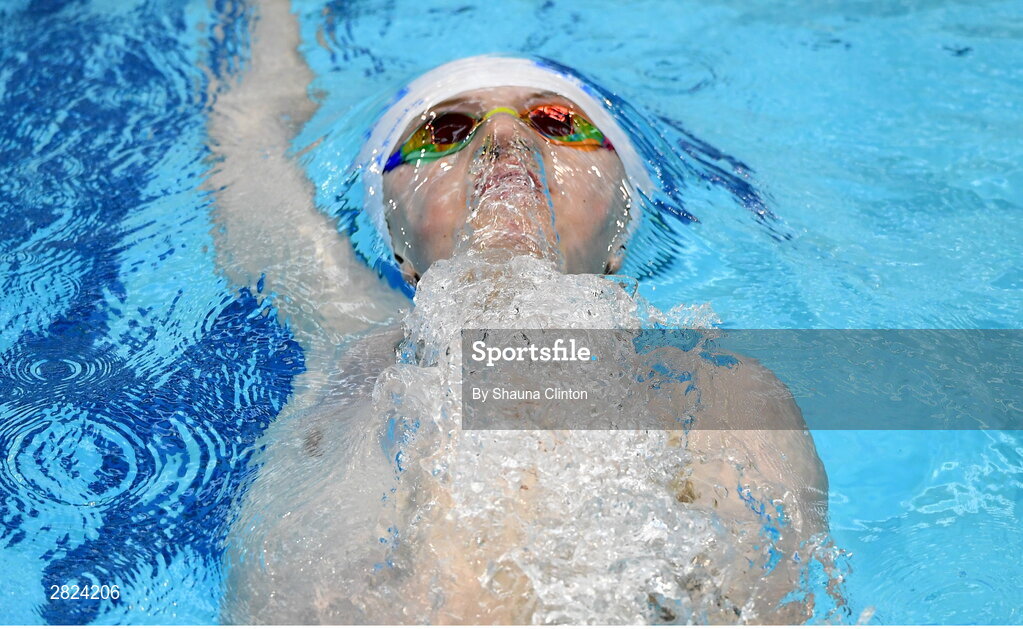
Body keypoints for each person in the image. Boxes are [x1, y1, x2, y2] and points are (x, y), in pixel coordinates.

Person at [212, 7, 832, 622]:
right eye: (446, 130)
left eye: (557, 122)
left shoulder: (720, 397)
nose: (504, 141)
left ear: (619, 239)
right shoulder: (349, 351)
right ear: (400, 250)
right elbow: (250, 157)